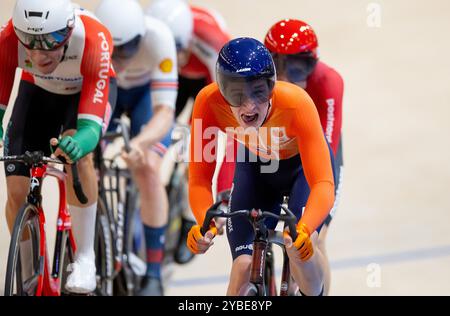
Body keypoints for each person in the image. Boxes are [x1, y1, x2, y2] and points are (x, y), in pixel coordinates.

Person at [186, 37, 336, 296]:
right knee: (242, 266)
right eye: (236, 93)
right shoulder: (207, 102)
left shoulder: (297, 103)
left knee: (300, 247)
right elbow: (199, 179)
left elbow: (323, 182)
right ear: (221, 91)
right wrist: (204, 224)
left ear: (272, 86)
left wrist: (305, 227)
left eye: (258, 91)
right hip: (255, 168)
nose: (249, 106)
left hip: (301, 170)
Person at [0, 0, 116, 294]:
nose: (39, 53)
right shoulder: (8, 39)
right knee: (15, 190)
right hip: (38, 92)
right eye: (29, 41)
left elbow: (90, 128)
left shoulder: (93, 38)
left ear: (68, 30)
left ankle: (85, 258)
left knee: (79, 156)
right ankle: (28, 274)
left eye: (50, 41)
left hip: (83, 96)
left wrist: (79, 143)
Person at [95, 0, 178, 296]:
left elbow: (165, 113)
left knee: (148, 168)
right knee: (86, 166)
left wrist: (141, 143)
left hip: (145, 97)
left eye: (127, 50)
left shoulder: (159, 37)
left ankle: (153, 273)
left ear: (140, 39)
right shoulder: (91, 36)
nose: (119, 59)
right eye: (111, 52)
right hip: (108, 91)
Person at [147, 0, 231, 264]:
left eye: (178, 50)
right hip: (172, 75)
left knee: (197, 145)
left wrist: (198, 145)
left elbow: (224, 110)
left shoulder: (211, 42)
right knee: (155, 123)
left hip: (207, 76)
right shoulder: (152, 33)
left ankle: (186, 216)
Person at [264, 19, 344, 295]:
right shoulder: (258, 82)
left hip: (318, 151)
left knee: (314, 239)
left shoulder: (329, 81)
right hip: (276, 150)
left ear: (313, 64)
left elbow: (328, 147)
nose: (286, 76)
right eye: (279, 66)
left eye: (297, 67)